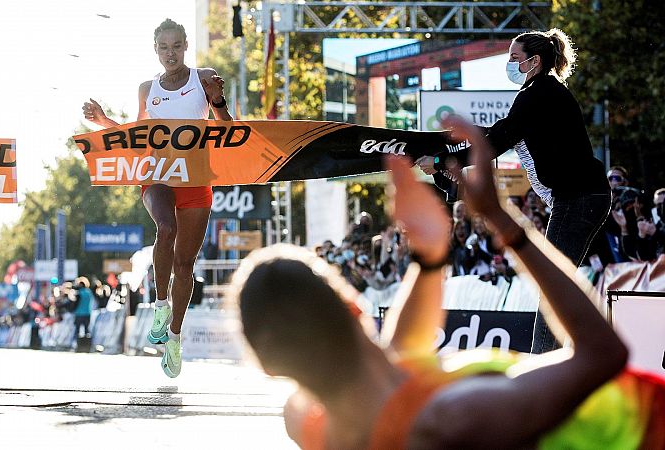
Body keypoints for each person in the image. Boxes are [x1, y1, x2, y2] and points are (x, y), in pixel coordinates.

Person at [230, 117, 664, 449]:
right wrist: (503, 221)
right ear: (354, 306)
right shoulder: (458, 415)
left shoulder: (311, 423)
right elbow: (603, 353)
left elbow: (403, 354)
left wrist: (430, 258)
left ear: (270, 366)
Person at [416, 28, 611, 353]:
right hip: (583, 197)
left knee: (551, 286)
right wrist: (451, 144)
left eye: (514, 58)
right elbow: (497, 133)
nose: (508, 64)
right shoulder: (542, 93)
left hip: (579, 199)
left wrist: (440, 159)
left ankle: (545, 362)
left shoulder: (537, 94)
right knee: (555, 284)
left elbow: (495, 142)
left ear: (534, 61)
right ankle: (560, 356)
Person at [82, 18, 232, 377]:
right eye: (163, 47)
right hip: (158, 176)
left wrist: (218, 101)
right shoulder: (147, 88)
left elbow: (228, 130)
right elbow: (137, 136)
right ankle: (160, 303)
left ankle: (175, 337)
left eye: (176, 46)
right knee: (165, 228)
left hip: (195, 179)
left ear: (185, 46)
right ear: (156, 50)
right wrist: (103, 121)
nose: (170, 53)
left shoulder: (204, 76)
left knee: (185, 267)